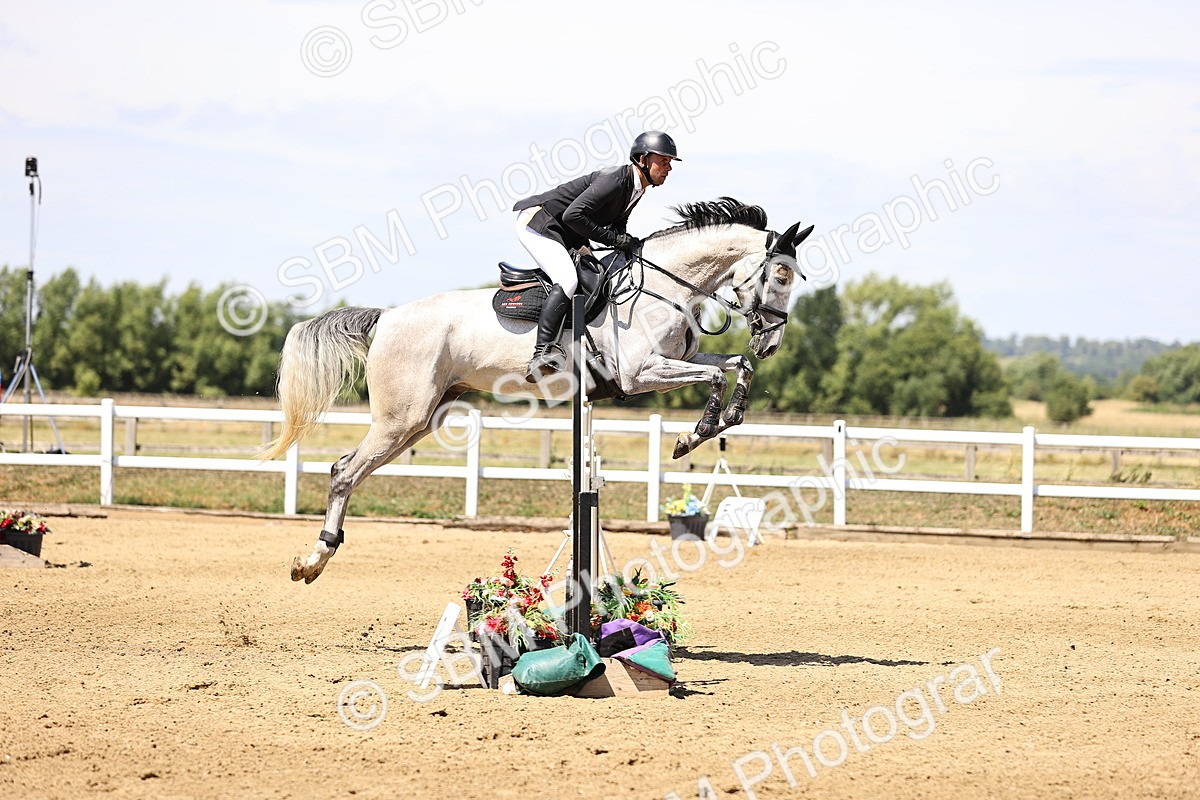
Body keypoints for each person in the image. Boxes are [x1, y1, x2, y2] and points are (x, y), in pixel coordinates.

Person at [513, 130, 681, 382]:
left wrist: (625, 243)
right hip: (540, 223)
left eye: (670, 163)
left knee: (596, 277)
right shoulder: (615, 179)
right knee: (567, 279)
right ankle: (542, 353)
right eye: (664, 161)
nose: (668, 168)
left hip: (568, 229)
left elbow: (616, 223)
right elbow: (573, 215)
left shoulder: (637, 187)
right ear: (643, 160)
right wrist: (615, 240)